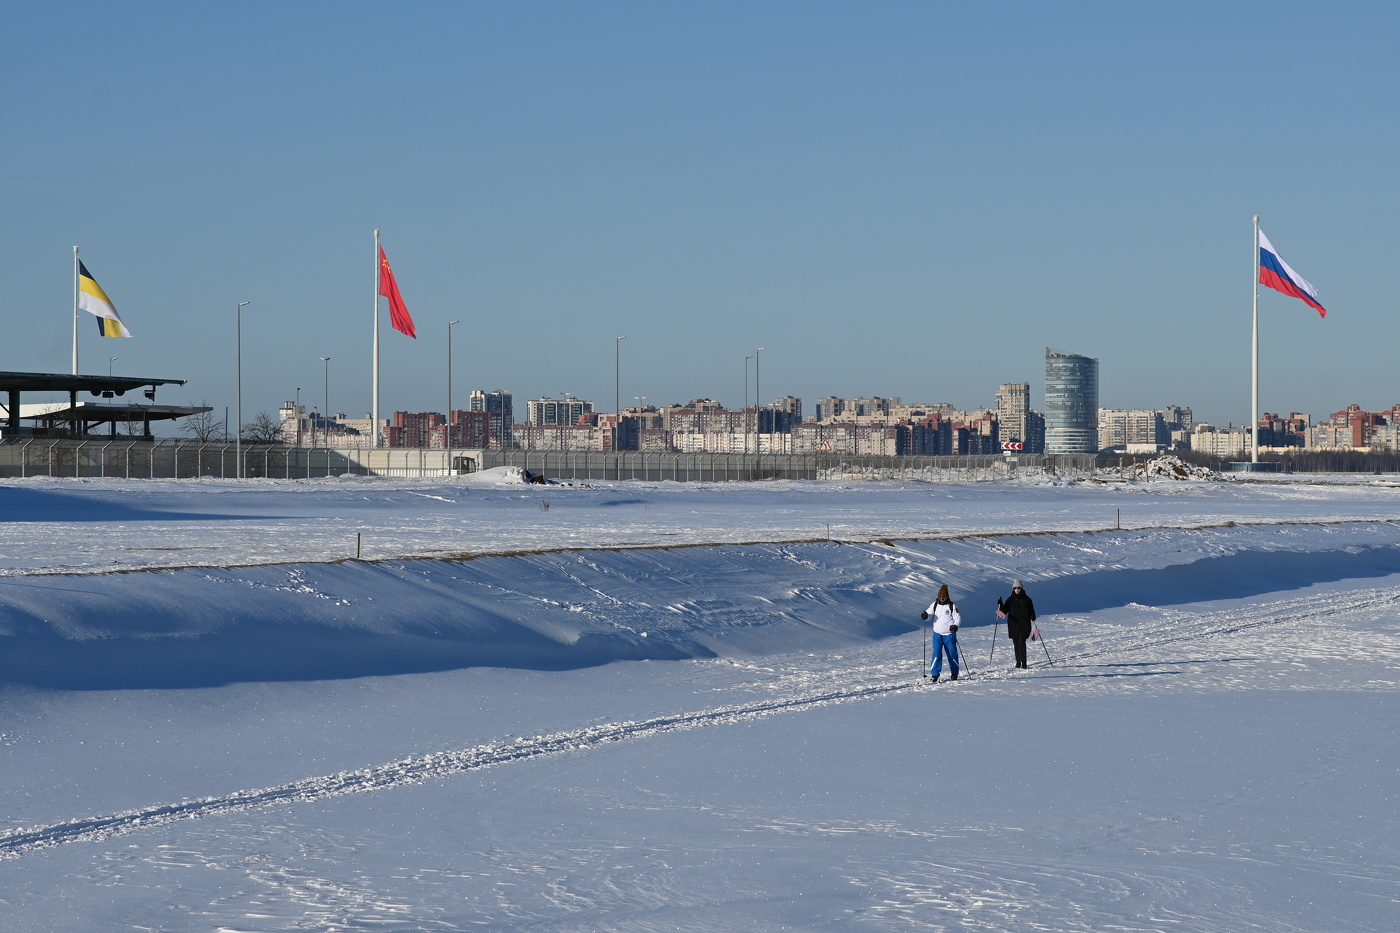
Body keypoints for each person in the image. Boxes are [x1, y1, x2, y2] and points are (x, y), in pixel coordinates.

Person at [921, 584, 962, 682]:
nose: (941, 599)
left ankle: (954, 673)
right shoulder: (934, 604)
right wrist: (925, 616)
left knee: (952, 654)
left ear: (947, 597)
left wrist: (955, 626)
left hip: (949, 635)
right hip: (937, 634)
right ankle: (935, 675)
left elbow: (958, 618)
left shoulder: (952, 606)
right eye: (940, 597)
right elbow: (929, 614)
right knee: (936, 654)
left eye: (943, 597)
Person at [996, 578, 1037, 669]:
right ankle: (1018, 661)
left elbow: (1032, 611)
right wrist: (1000, 605)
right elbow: (1003, 612)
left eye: (1018, 588)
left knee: (1021, 642)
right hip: (1013, 625)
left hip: (1024, 625)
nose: (1017, 590)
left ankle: (1024, 662)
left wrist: (1032, 616)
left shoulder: (1027, 600)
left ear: (1021, 588)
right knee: (1015, 643)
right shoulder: (1010, 600)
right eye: (1015, 588)